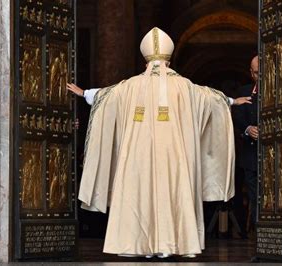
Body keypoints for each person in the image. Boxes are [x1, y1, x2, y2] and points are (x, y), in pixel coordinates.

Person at [67, 27, 251, 258]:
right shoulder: (185, 86)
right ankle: (172, 244)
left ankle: (134, 244)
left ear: (145, 62)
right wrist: (232, 100)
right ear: (169, 59)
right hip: (174, 157)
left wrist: (84, 92)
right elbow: (211, 98)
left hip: (137, 158)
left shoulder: (130, 85)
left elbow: (105, 96)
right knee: (173, 190)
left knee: (138, 192)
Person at [234, 55, 259, 232]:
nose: (261, 76)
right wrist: (248, 129)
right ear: (251, 73)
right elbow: (236, 119)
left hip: (278, 155)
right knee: (255, 196)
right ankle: (261, 239)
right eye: (258, 73)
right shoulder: (244, 92)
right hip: (251, 156)